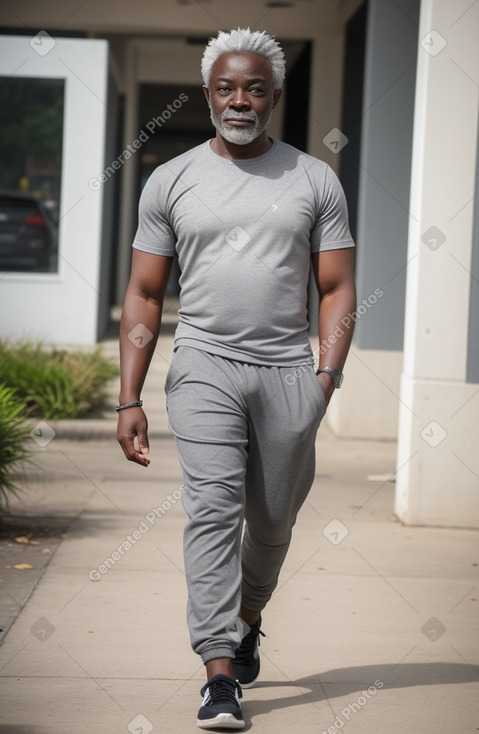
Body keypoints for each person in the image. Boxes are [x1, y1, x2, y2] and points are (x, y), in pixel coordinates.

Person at [117, 27, 356, 730]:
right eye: (226, 87)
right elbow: (143, 294)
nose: (239, 99)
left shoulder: (313, 179)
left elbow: (337, 288)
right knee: (213, 510)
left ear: (274, 96)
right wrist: (128, 394)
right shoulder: (172, 179)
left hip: (288, 373)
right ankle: (219, 671)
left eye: (254, 87)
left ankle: (249, 616)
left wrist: (325, 376)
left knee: (273, 521)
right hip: (203, 367)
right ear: (208, 94)